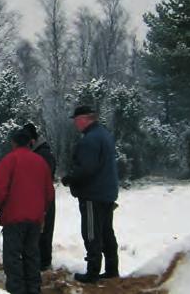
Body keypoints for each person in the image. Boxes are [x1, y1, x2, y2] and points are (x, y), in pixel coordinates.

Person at [0, 129, 54, 294]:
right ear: (30, 142)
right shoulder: (40, 162)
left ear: (13, 143)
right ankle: (33, 288)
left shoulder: (9, 160)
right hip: (35, 219)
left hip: (14, 217)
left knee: (13, 257)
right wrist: (43, 212)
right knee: (32, 255)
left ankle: (16, 290)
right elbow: (49, 192)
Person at [61, 105, 120, 283]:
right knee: (106, 231)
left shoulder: (89, 140)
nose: (75, 124)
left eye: (76, 120)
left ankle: (92, 272)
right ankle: (111, 269)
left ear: (85, 119)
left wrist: (70, 178)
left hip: (93, 194)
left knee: (92, 233)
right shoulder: (105, 135)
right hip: (107, 192)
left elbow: (86, 168)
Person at [24, 122, 57, 271]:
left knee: (43, 230)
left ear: (32, 141)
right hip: (38, 196)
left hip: (44, 197)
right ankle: (41, 260)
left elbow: (44, 178)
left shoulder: (42, 154)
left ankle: (44, 262)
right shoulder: (40, 152)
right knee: (40, 230)